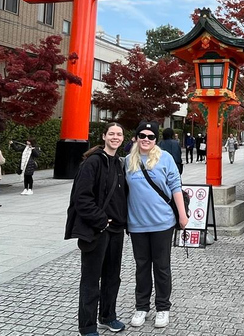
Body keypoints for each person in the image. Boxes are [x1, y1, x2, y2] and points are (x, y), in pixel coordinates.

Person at [64, 122, 128, 336]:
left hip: (116, 230)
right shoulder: (92, 163)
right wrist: (101, 220)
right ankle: (87, 326)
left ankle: (108, 316)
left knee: (112, 277)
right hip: (97, 230)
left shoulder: (119, 163)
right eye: (112, 133)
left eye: (119, 134)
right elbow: (81, 198)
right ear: (104, 136)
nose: (115, 137)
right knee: (91, 279)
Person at [126, 121, 188, 329]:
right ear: (135, 137)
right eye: (142, 135)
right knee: (142, 267)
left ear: (156, 139)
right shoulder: (127, 161)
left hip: (162, 222)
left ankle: (163, 307)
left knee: (161, 267)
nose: (146, 139)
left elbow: (175, 186)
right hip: (137, 224)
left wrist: (182, 215)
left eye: (151, 136)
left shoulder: (165, 158)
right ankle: (141, 307)